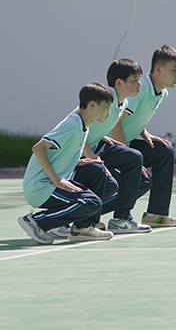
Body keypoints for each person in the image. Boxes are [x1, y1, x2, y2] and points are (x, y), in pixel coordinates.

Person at [48, 59, 152, 238]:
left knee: (134, 159)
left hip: (96, 146)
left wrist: (103, 137)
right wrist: (91, 155)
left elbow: (97, 126)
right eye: (135, 80)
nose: (140, 84)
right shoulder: (102, 99)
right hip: (74, 151)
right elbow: (77, 122)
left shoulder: (123, 103)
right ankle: (61, 219)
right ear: (119, 83)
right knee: (109, 184)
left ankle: (121, 219)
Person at [17, 83, 115, 244]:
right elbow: (38, 148)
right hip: (40, 186)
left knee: (97, 171)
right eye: (107, 107)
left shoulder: (83, 126)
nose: (109, 113)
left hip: (53, 180)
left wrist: (77, 162)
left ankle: (83, 228)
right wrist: (56, 180)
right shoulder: (72, 124)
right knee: (92, 202)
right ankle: (36, 222)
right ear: (92, 105)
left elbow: (58, 153)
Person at [112, 45, 176, 228]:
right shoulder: (140, 88)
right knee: (142, 181)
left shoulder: (162, 94)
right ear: (158, 69)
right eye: (174, 70)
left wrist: (145, 133)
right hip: (108, 145)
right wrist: (129, 155)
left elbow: (136, 117)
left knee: (165, 151)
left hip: (126, 143)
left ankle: (156, 214)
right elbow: (116, 124)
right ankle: (107, 217)